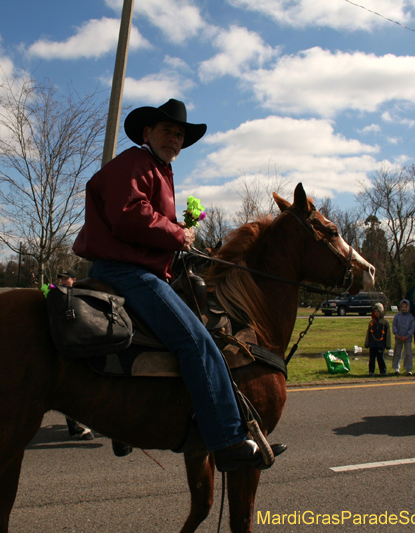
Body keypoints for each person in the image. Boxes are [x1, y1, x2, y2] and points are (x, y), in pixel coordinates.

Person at [72, 98, 279, 471]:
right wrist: (179, 234)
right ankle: (229, 440)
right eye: (168, 130)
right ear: (147, 132)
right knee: (196, 342)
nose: (175, 139)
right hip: (126, 272)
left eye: (180, 134)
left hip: (140, 269)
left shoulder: (158, 169)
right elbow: (130, 216)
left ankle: (131, 421)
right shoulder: (135, 163)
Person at [55, 269, 95, 441]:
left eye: (66, 279)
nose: (63, 281)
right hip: (66, 342)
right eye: (62, 279)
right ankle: (75, 427)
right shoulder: (56, 291)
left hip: (80, 341)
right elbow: (42, 290)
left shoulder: (79, 293)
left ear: (74, 279)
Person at [364, 303, 391, 376]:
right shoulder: (371, 323)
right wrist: (367, 343)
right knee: (372, 359)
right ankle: (371, 372)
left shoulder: (385, 323)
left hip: (381, 344)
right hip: (373, 344)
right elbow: (368, 334)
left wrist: (388, 345)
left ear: (381, 312)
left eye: (378, 311)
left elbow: (388, 334)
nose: (377, 313)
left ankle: (383, 371)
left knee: (380, 358)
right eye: (375, 311)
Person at [391, 299, 415, 375]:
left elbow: (412, 327)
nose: (404, 308)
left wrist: (408, 335)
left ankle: (408, 369)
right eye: (403, 307)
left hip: (407, 338)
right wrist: (396, 333)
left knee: (408, 353)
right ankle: (396, 368)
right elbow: (394, 325)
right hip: (398, 337)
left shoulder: (411, 317)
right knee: (397, 353)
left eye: (406, 307)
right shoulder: (397, 316)